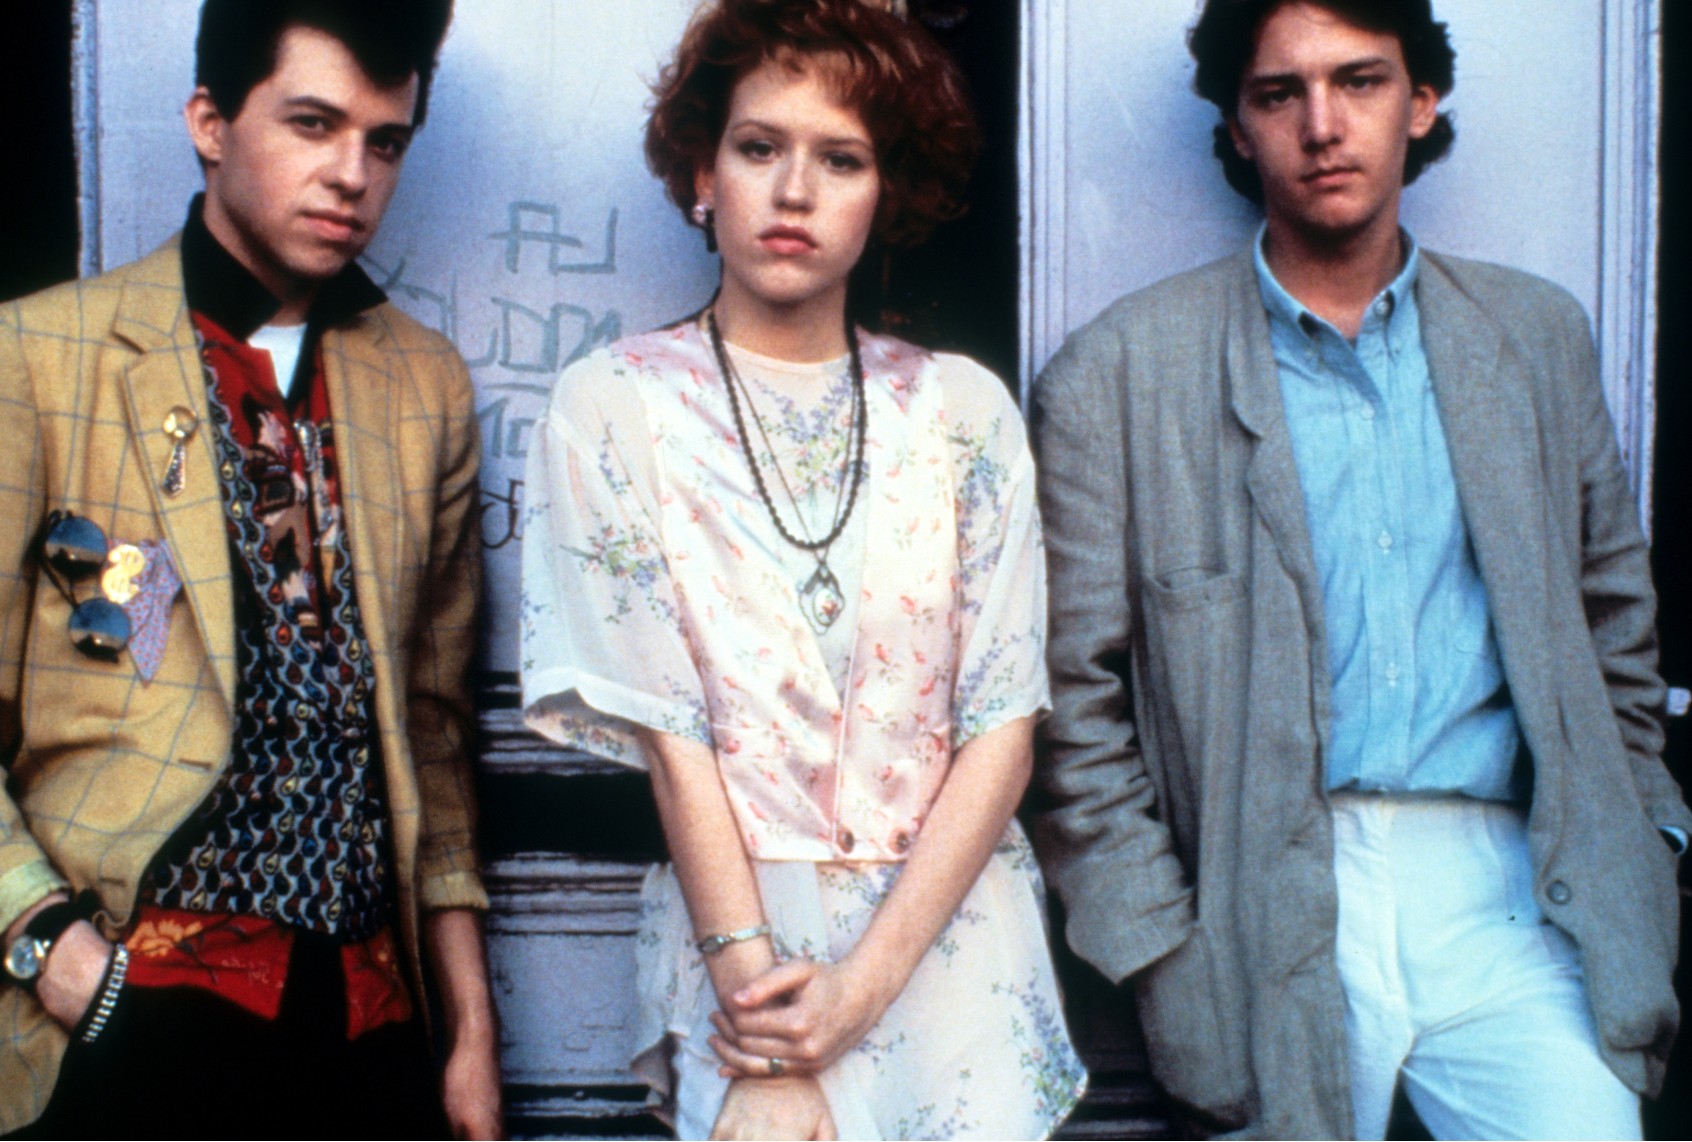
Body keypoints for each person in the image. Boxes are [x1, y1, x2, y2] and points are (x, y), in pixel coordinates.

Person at [1031, 0, 1690, 1138]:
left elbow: (1614, 624)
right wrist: (1156, 943)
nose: (1322, 124)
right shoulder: (1116, 376)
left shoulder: (1535, 337)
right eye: (1279, 94)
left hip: (1517, 888)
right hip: (1262, 892)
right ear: (1238, 128)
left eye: (1361, 81)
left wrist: (1642, 833)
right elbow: (1073, 706)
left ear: (1420, 102)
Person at [521, 0, 1086, 1137]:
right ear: (701, 170)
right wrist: (773, 1038)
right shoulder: (612, 406)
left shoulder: (967, 413)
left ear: (888, 192)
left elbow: (1001, 725)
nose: (794, 191)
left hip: (951, 956)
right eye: (759, 147)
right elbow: (673, 740)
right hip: (746, 960)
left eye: (841, 159)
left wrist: (863, 989)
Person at [0, 1, 502, 1136]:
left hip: (372, 1026)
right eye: (314, 124)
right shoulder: (38, 357)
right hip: (134, 1004)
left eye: (385, 141)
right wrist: (57, 953)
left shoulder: (423, 386)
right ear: (210, 123)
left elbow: (433, 733)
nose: (352, 175)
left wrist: (471, 1033)